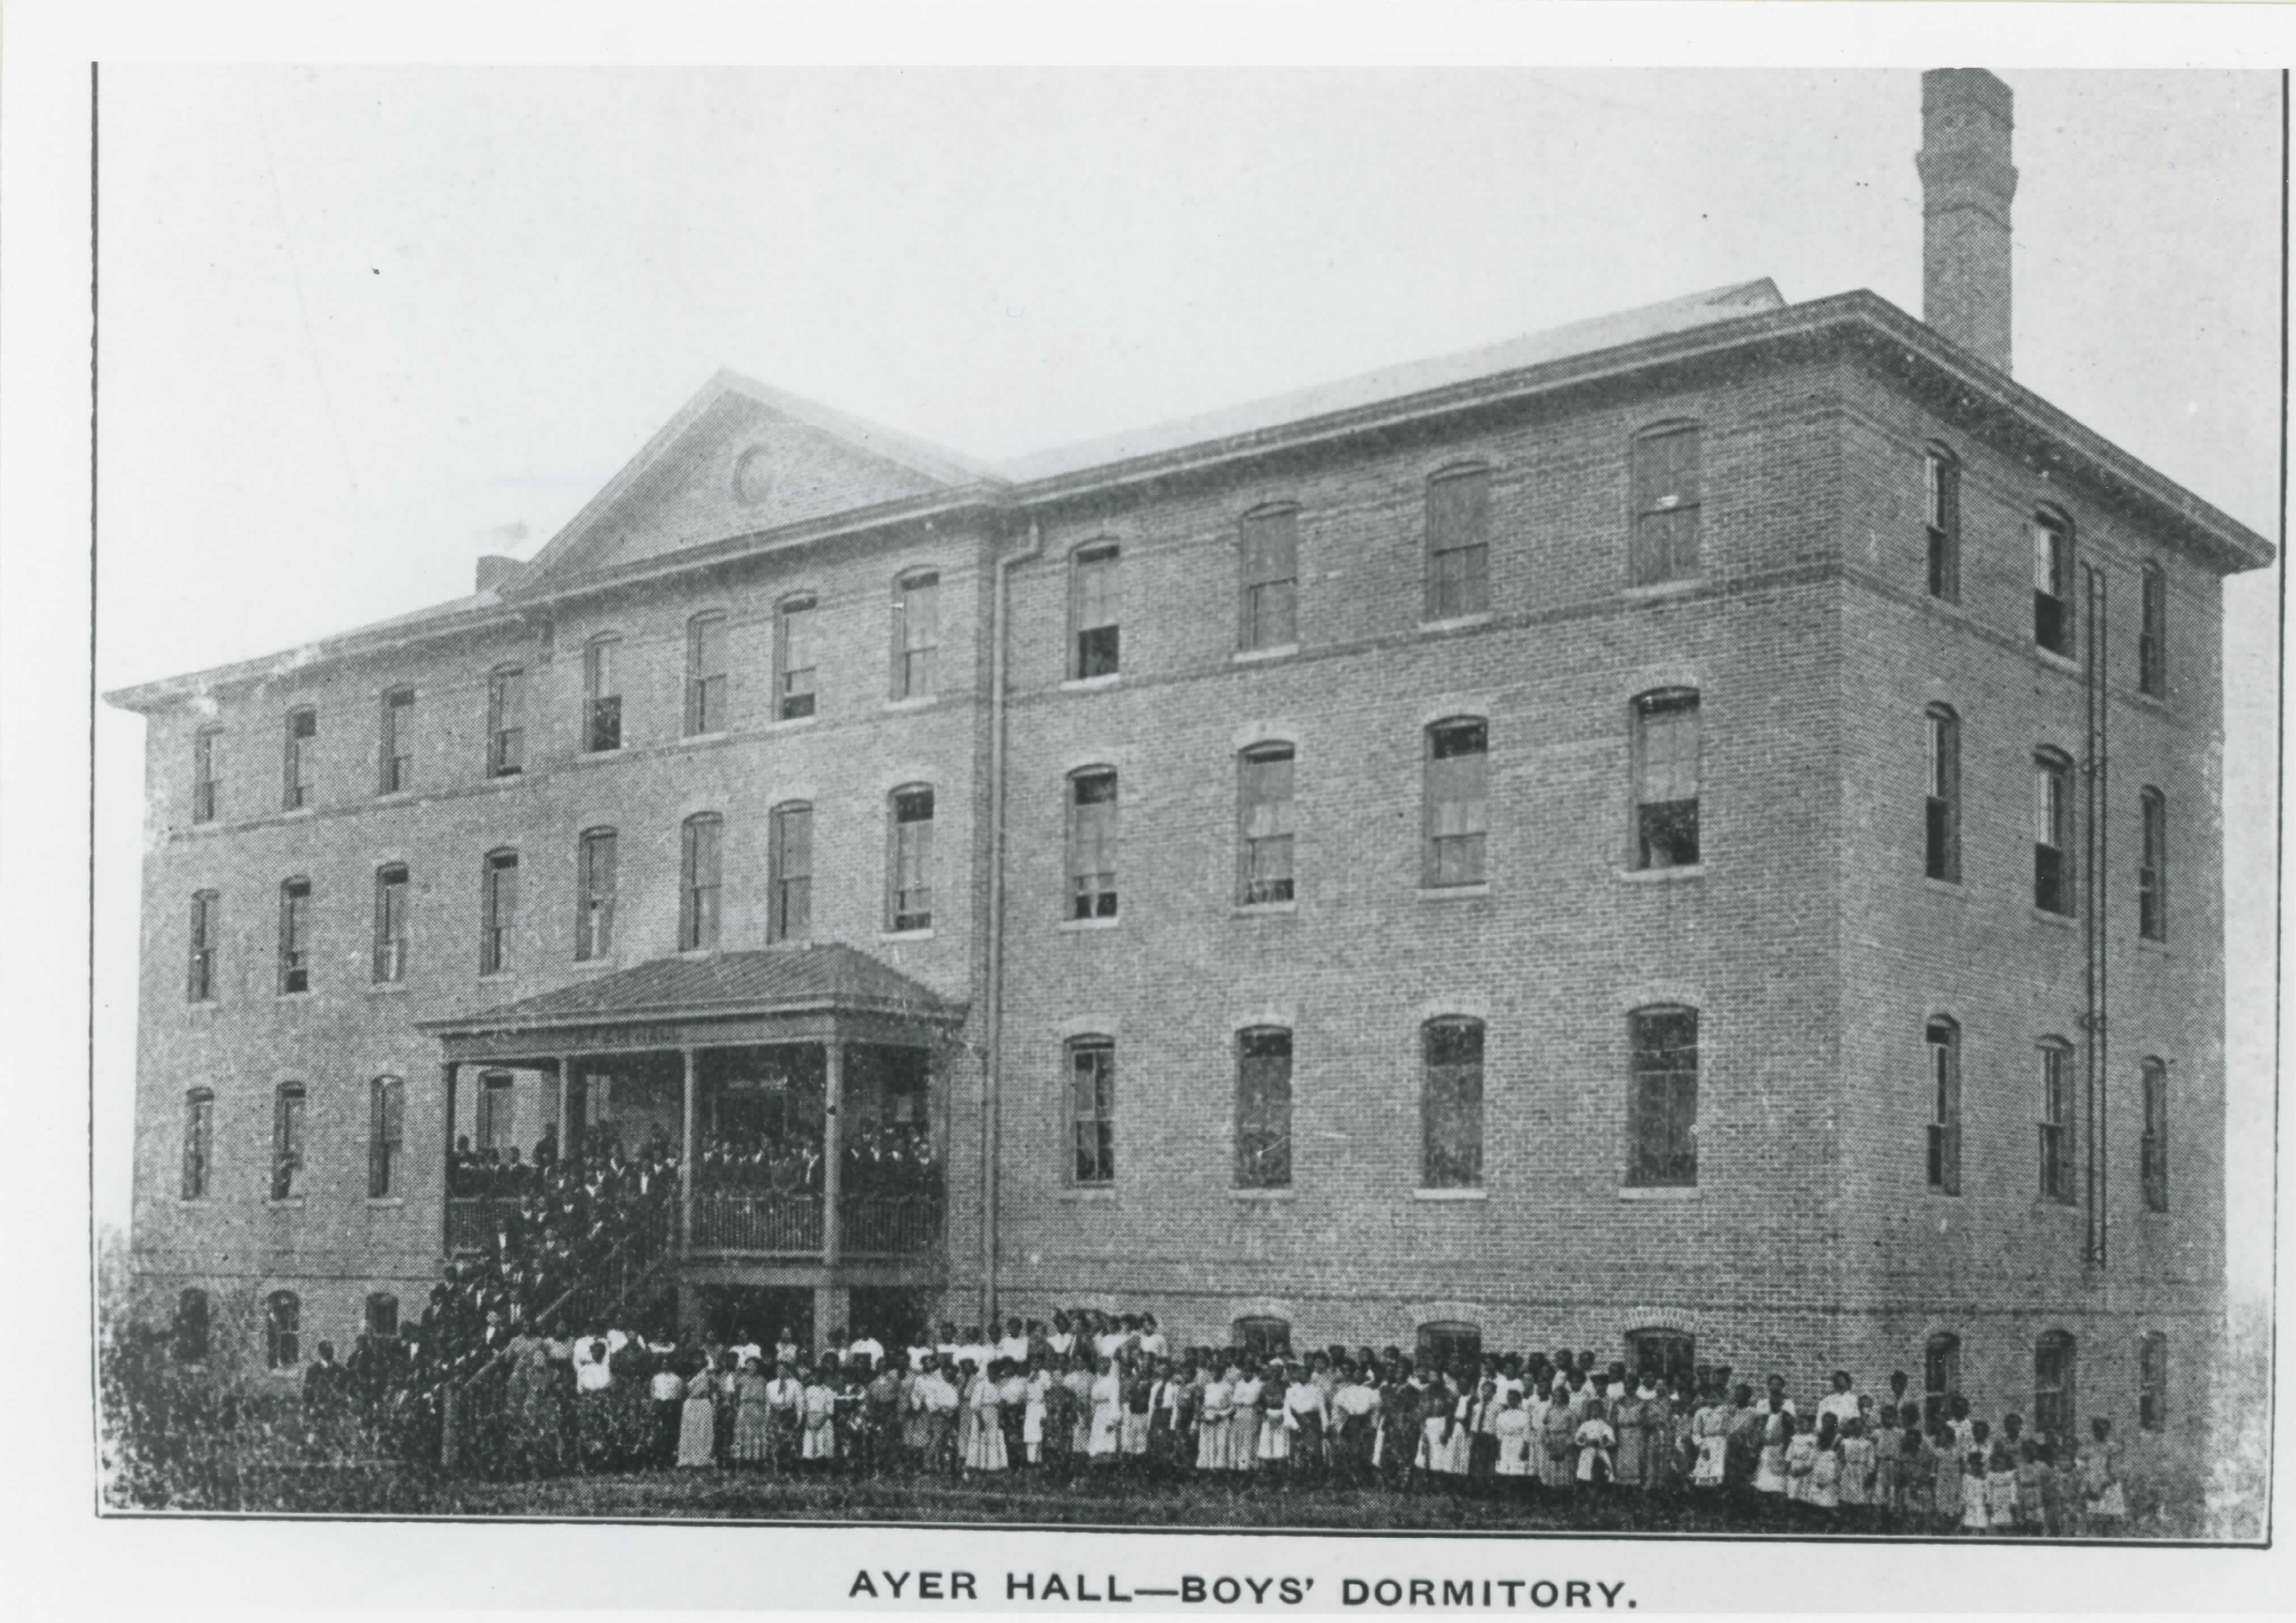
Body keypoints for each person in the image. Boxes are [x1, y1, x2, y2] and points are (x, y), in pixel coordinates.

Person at [2079, 1417, 2126, 1533]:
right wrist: (2086, 1487)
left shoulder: (2113, 1448)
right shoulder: (2088, 1449)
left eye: (2104, 1429)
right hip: (2093, 1486)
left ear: (2108, 1431)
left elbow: (2115, 1471)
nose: (2100, 1432)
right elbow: (2083, 1468)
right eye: (2097, 1429)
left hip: (2109, 1487)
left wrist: (2104, 1486)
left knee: (2111, 1519)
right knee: (2094, 1520)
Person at [963, 1361, 1008, 1474]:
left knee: (993, 1439)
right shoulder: (981, 1385)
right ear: (988, 1372)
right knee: (977, 1439)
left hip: (994, 1414)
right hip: (981, 1413)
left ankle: (991, 1466)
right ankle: (973, 1466)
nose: (994, 1374)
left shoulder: (999, 1385)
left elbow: (1002, 1401)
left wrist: (1001, 1414)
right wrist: (980, 1420)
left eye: (996, 1372)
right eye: (991, 1372)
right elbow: (975, 1405)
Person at [731, 1356, 773, 1467]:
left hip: (757, 1407)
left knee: (756, 1433)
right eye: (749, 1365)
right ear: (746, 1366)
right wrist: (737, 1407)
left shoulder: (762, 1380)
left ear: (758, 1367)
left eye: (754, 1365)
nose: (752, 1367)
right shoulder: (741, 1379)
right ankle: (741, 1460)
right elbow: (736, 1396)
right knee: (743, 1433)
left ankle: (757, 1460)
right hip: (744, 1407)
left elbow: (766, 1398)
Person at [677, 1359, 717, 1468]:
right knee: (689, 1431)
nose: (697, 1362)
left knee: (703, 1430)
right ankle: (687, 1460)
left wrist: (714, 1407)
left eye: (700, 1359)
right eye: (695, 1359)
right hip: (690, 1404)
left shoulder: (708, 1374)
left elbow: (714, 1391)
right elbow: (683, 1392)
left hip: (703, 1403)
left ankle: (703, 1460)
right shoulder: (688, 1375)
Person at [1494, 1387, 1533, 1490]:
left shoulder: (1525, 1415)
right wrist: (1498, 1449)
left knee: (1517, 1468)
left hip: (1518, 1442)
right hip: (1505, 1442)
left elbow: (1526, 1433)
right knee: (1504, 1468)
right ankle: (1505, 1493)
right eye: (1509, 1399)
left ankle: (1517, 1494)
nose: (1512, 1401)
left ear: (1519, 1400)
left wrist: (1525, 1448)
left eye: (1514, 1399)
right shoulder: (1502, 1415)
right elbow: (1499, 1433)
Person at [801, 1362, 839, 1468]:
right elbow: (804, 1408)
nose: (816, 1378)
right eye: (814, 1375)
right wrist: (809, 1421)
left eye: (818, 1375)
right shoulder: (808, 1390)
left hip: (824, 1421)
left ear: (823, 1377)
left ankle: (823, 1470)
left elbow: (830, 1411)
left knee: (823, 1445)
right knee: (809, 1446)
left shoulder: (827, 1391)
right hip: (810, 1420)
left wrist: (820, 1423)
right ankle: (809, 1471)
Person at [1087, 1356, 1122, 1467]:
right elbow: (1093, 1400)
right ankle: (1097, 1473)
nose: (1102, 1367)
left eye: (1105, 1364)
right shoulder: (1097, 1381)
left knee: (1107, 1442)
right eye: (1100, 1364)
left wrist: (1113, 1421)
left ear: (1109, 1366)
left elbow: (1114, 1401)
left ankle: (1107, 1473)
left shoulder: (1113, 1381)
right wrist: (1091, 1416)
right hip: (1098, 1414)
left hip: (1108, 1413)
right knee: (1097, 1443)